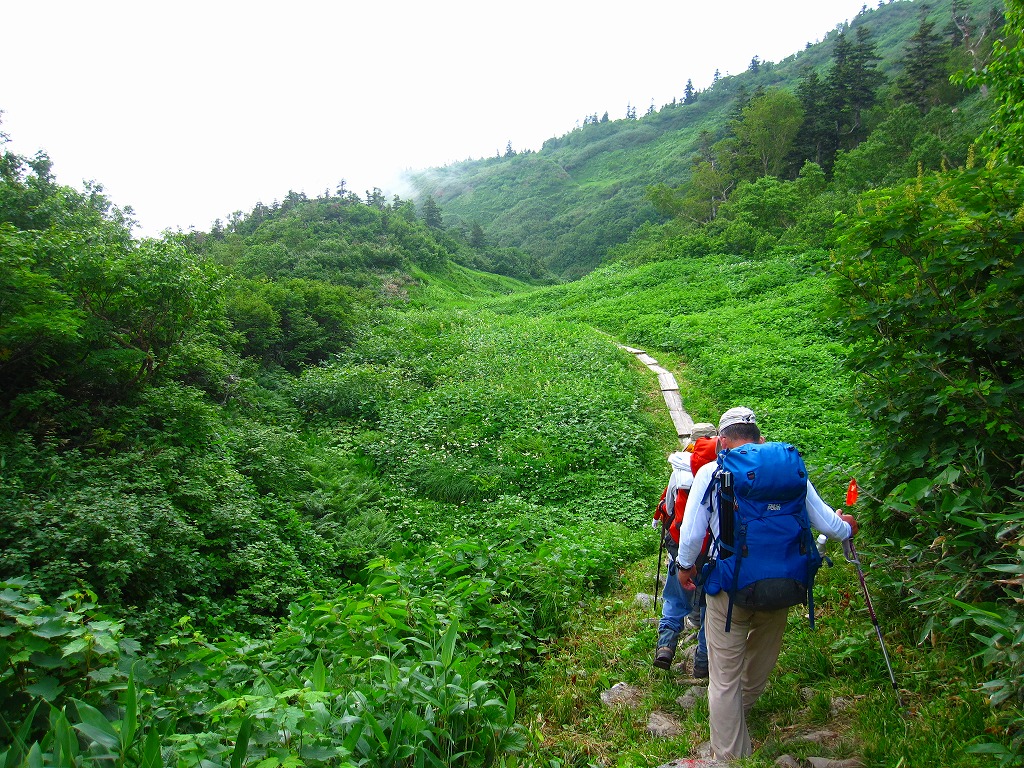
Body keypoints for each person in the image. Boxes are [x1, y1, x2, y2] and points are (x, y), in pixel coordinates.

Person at [674, 406, 858, 761]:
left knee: (724, 676)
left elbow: (693, 533)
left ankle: (731, 755)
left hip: (729, 589)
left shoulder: (713, 471)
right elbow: (829, 526)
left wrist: (684, 566)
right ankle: (738, 713)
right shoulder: (789, 474)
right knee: (759, 661)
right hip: (782, 586)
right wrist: (848, 526)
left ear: (723, 442)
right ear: (759, 437)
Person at [652, 423, 717, 676]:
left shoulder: (680, 468)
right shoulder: (724, 468)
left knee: (675, 600)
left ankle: (666, 647)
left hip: (680, 550)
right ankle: (702, 663)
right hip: (710, 552)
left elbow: (668, 506)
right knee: (709, 607)